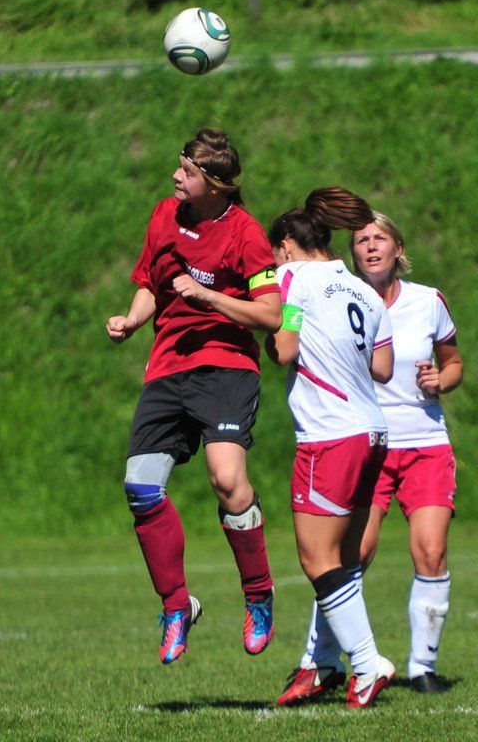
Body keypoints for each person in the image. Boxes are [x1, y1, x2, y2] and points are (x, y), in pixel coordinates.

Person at [106, 128, 282, 665]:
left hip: (225, 366)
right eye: (179, 166)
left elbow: (272, 315)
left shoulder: (247, 234)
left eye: (186, 171)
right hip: (168, 365)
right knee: (141, 488)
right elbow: (150, 283)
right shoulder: (164, 215)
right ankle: (177, 607)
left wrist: (208, 296)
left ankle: (259, 596)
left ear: (215, 185)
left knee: (227, 481)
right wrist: (133, 321)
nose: (175, 177)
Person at [279, 211, 463, 704]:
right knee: (350, 555)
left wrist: (441, 380)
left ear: (397, 248)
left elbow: (453, 360)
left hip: (423, 442)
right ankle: (322, 661)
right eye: (362, 240)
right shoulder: (344, 294)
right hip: (369, 442)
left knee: (430, 551)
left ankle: (422, 667)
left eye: (380, 238)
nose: (371, 247)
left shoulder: (428, 301)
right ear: (351, 252)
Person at [266, 189, 396, 709]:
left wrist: (267, 331)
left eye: (275, 255)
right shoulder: (366, 292)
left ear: (287, 247)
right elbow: (383, 368)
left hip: (329, 435)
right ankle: (320, 663)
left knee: (316, 557)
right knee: (343, 559)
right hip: (374, 432)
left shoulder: (293, 279)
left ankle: (366, 663)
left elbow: (285, 349)